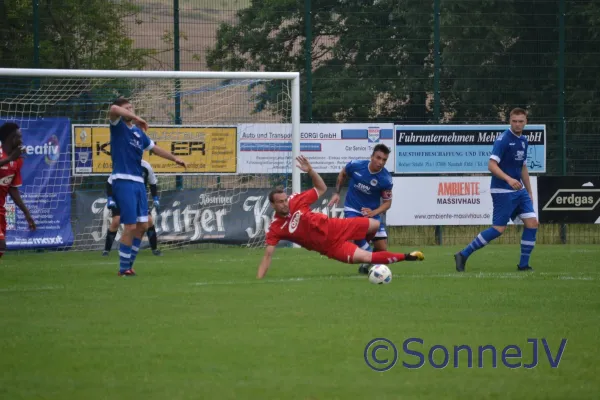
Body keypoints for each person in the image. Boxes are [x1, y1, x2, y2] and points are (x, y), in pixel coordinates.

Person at [256, 155, 424, 279]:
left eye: (285, 200)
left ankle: (364, 243)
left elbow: (321, 188)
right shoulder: (275, 228)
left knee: (373, 224)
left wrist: (311, 171)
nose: (285, 204)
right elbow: (268, 255)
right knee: (367, 257)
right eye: (280, 202)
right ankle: (408, 256)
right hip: (331, 247)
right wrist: (258, 281)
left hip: (336, 226)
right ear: (273, 205)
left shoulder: (295, 200)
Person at [108, 98, 186, 277]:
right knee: (130, 225)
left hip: (138, 182)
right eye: (127, 108)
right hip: (123, 179)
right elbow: (113, 108)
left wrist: (175, 159)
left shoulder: (137, 133)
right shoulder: (117, 126)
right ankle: (123, 269)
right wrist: (136, 117)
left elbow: (155, 148)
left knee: (143, 225)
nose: (130, 110)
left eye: (131, 108)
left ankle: (128, 265)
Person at [454, 107, 538, 272]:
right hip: (503, 190)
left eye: (521, 121)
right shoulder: (503, 140)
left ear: (526, 121)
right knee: (499, 229)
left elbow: (523, 168)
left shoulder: (524, 141)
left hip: (519, 190)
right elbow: (491, 165)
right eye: (514, 121)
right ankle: (463, 254)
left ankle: (523, 265)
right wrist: (508, 179)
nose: (517, 124)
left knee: (532, 223)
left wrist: (529, 191)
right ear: (509, 121)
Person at [328, 144, 394, 275]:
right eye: (378, 158)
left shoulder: (386, 179)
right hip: (352, 208)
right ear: (372, 157)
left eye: (384, 160)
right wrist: (336, 193)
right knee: (356, 232)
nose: (380, 162)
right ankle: (371, 259)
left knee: (382, 249)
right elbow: (343, 174)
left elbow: (387, 203)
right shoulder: (356, 165)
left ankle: (366, 264)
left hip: (371, 213)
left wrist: (373, 212)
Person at [103, 159, 162, 257]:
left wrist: (155, 198)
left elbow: (152, 183)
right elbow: (109, 183)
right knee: (116, 221)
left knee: (149, 221)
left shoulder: (146, 166)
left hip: (138, 199)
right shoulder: (122, 164)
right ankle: (106, 250)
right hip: (120, 197)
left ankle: (154, 249)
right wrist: (110, 198)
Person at [0, 122, 36, 259]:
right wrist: (9, 158)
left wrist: (27, 214)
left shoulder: (17, 161)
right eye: (19, 137)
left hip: (1, 210)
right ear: (12, 138)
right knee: (1, 244)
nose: (22, 141)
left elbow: (13, 190)